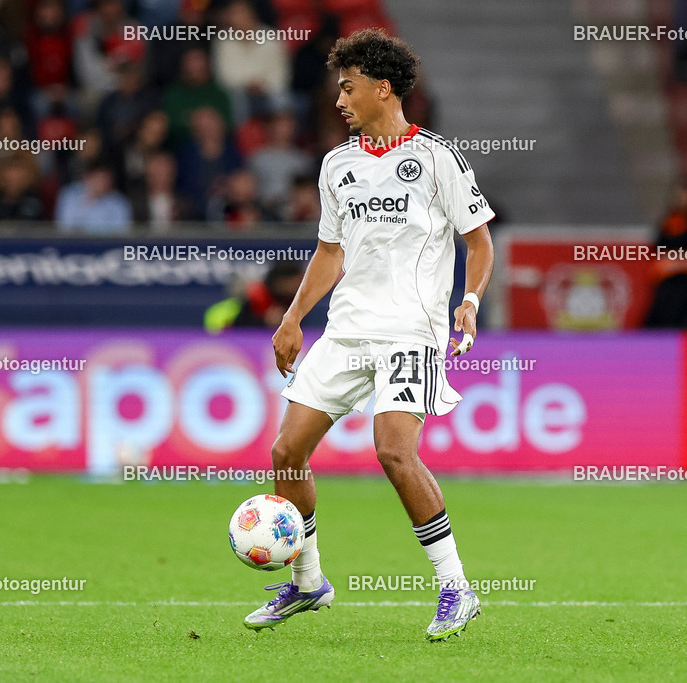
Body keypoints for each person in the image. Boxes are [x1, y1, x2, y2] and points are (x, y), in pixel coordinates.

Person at [244, 29, 495, 642]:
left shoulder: (437, 158)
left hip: (412, 332)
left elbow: (479, 240)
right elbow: (331, 251)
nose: (339, 100)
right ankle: (307, 582)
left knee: (393, 451)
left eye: (348, 87)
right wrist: (293, 316)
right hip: (348, 330)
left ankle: (456, 587)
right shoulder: (337, 165)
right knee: (285, 453)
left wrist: (469, 299)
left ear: (383, 89)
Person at [644, 175, 687, 328]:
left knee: (682, 318)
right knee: (658, 317)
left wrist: (675, 254)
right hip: (668, 277)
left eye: (684, 191)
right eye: (677, 192)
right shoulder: (671, 217)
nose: (680, 196)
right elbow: (659, 244)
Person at [55, 161, 131, 234]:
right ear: (87, 177)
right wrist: (88, 200)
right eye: (100, 178)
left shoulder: (119, 202)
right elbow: (63, 226)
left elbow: (121, 232)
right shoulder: (69, 194)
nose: (103, 183)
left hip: (106, 245)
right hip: (72, 244)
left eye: (107, 179)